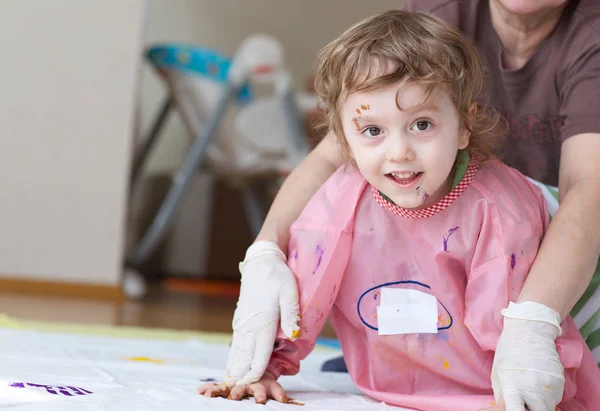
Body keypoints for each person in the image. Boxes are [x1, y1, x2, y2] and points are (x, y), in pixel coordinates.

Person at [198, 10, 600, 410]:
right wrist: (265, 367)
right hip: (405, 372)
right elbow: (303, 294)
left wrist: (517, 389)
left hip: (565, 302)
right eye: (372, 131)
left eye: (422, 124)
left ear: (464, 124)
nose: (399, 152)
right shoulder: (338, 199)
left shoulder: (498, 211)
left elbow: (517, 339)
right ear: (344, 139)